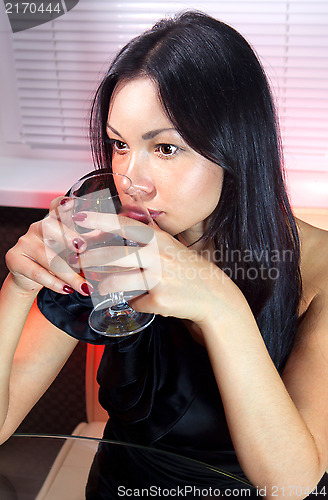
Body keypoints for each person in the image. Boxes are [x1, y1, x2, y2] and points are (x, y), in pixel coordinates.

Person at [1, 10, 328, 499]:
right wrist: (19, 287)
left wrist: (220, 303)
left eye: (166, 149)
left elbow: (292, 484)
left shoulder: (318, 270)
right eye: (119, 144)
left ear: (235, 146)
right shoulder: (106, 236)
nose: (131, 180)